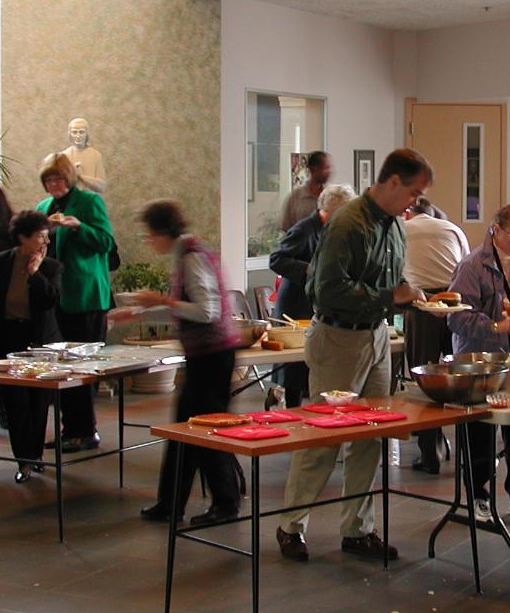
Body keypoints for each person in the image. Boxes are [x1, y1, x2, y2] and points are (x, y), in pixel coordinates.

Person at [275, 148, 432, 562]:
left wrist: (408, 294)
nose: (414, 201)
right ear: (393, 182)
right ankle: (291, 525)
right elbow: (324, 290)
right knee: (325, 435)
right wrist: (389, 295)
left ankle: (358, 529)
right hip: (338, 339)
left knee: (371, 434)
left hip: (376, 335)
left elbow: (392, 277)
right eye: (413, 191)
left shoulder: (394, 225)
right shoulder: (348, 223)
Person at [119, 201, 244, 525]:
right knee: (183, 430)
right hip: (207, 354)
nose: (149, 241)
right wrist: (140, 310)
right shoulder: (187, 252)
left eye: (149, 235)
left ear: (162, 232)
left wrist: (160, 301)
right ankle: (170, 502)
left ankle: (225, 504)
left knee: (204, 430)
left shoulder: (192, 256)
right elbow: (187, 306)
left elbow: (206, 312)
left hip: (213, 355)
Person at [447, 203, 510, 522]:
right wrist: (495, 326)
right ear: (495, 229)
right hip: (479, 358)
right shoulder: (472, 265)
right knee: (480, 432)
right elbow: (456, 318)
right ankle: (478, 495)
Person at [36, 153, 115, 452]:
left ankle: (85, 430)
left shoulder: (88, 202)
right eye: (48, 180)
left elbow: (106, 242)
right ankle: (69, 428)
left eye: (58, 178)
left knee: (82, 367)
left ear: (69, 178)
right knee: (61, 367)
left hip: (85, 295)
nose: (54, 184)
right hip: (54, 296)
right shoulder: (43, 208)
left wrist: (79, 227)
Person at [0, 211, 63, 482]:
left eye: (47, 237)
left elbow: (50, 302)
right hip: (9, 337)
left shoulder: (51, 267)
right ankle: (23, 461)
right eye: (40, 237)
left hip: (39, 340)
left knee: (39, 402)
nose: (45, 243)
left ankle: (35, 455)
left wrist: (35, 273)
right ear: (22, 238)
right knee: (15, 403)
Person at [268, 183, 357, 406]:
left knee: (309, 368)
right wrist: (310, 269)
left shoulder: (332, 229)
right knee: (295, 372)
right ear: (331, 210)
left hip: (314, 304)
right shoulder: (304, 229)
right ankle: (292, 413)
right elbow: (276, 259)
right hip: (296, 304)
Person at [402, 195, 470, 473]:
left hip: (421, 306)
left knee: (425, 380)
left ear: (409, 213)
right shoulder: (452, 228)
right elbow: (466, 263)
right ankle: (468, 453)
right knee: (462, 380)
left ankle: (431, 453)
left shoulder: (402, 229)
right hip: (455, 302)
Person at [280, 150, 332, 232]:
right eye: (326, 168)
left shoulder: (332, 196)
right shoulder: (295, 197)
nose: (330, 172)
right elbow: (286, 228)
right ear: (313, 169)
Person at [60, 117, 108, 193]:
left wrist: (80, 177)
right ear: (70, 134)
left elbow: (101, 186)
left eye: (81, 132)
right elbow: (61, 186)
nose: (78, 136)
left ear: (87, 134)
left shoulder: (95, 155)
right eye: (74, 132)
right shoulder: (64, 156)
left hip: (90, 200)